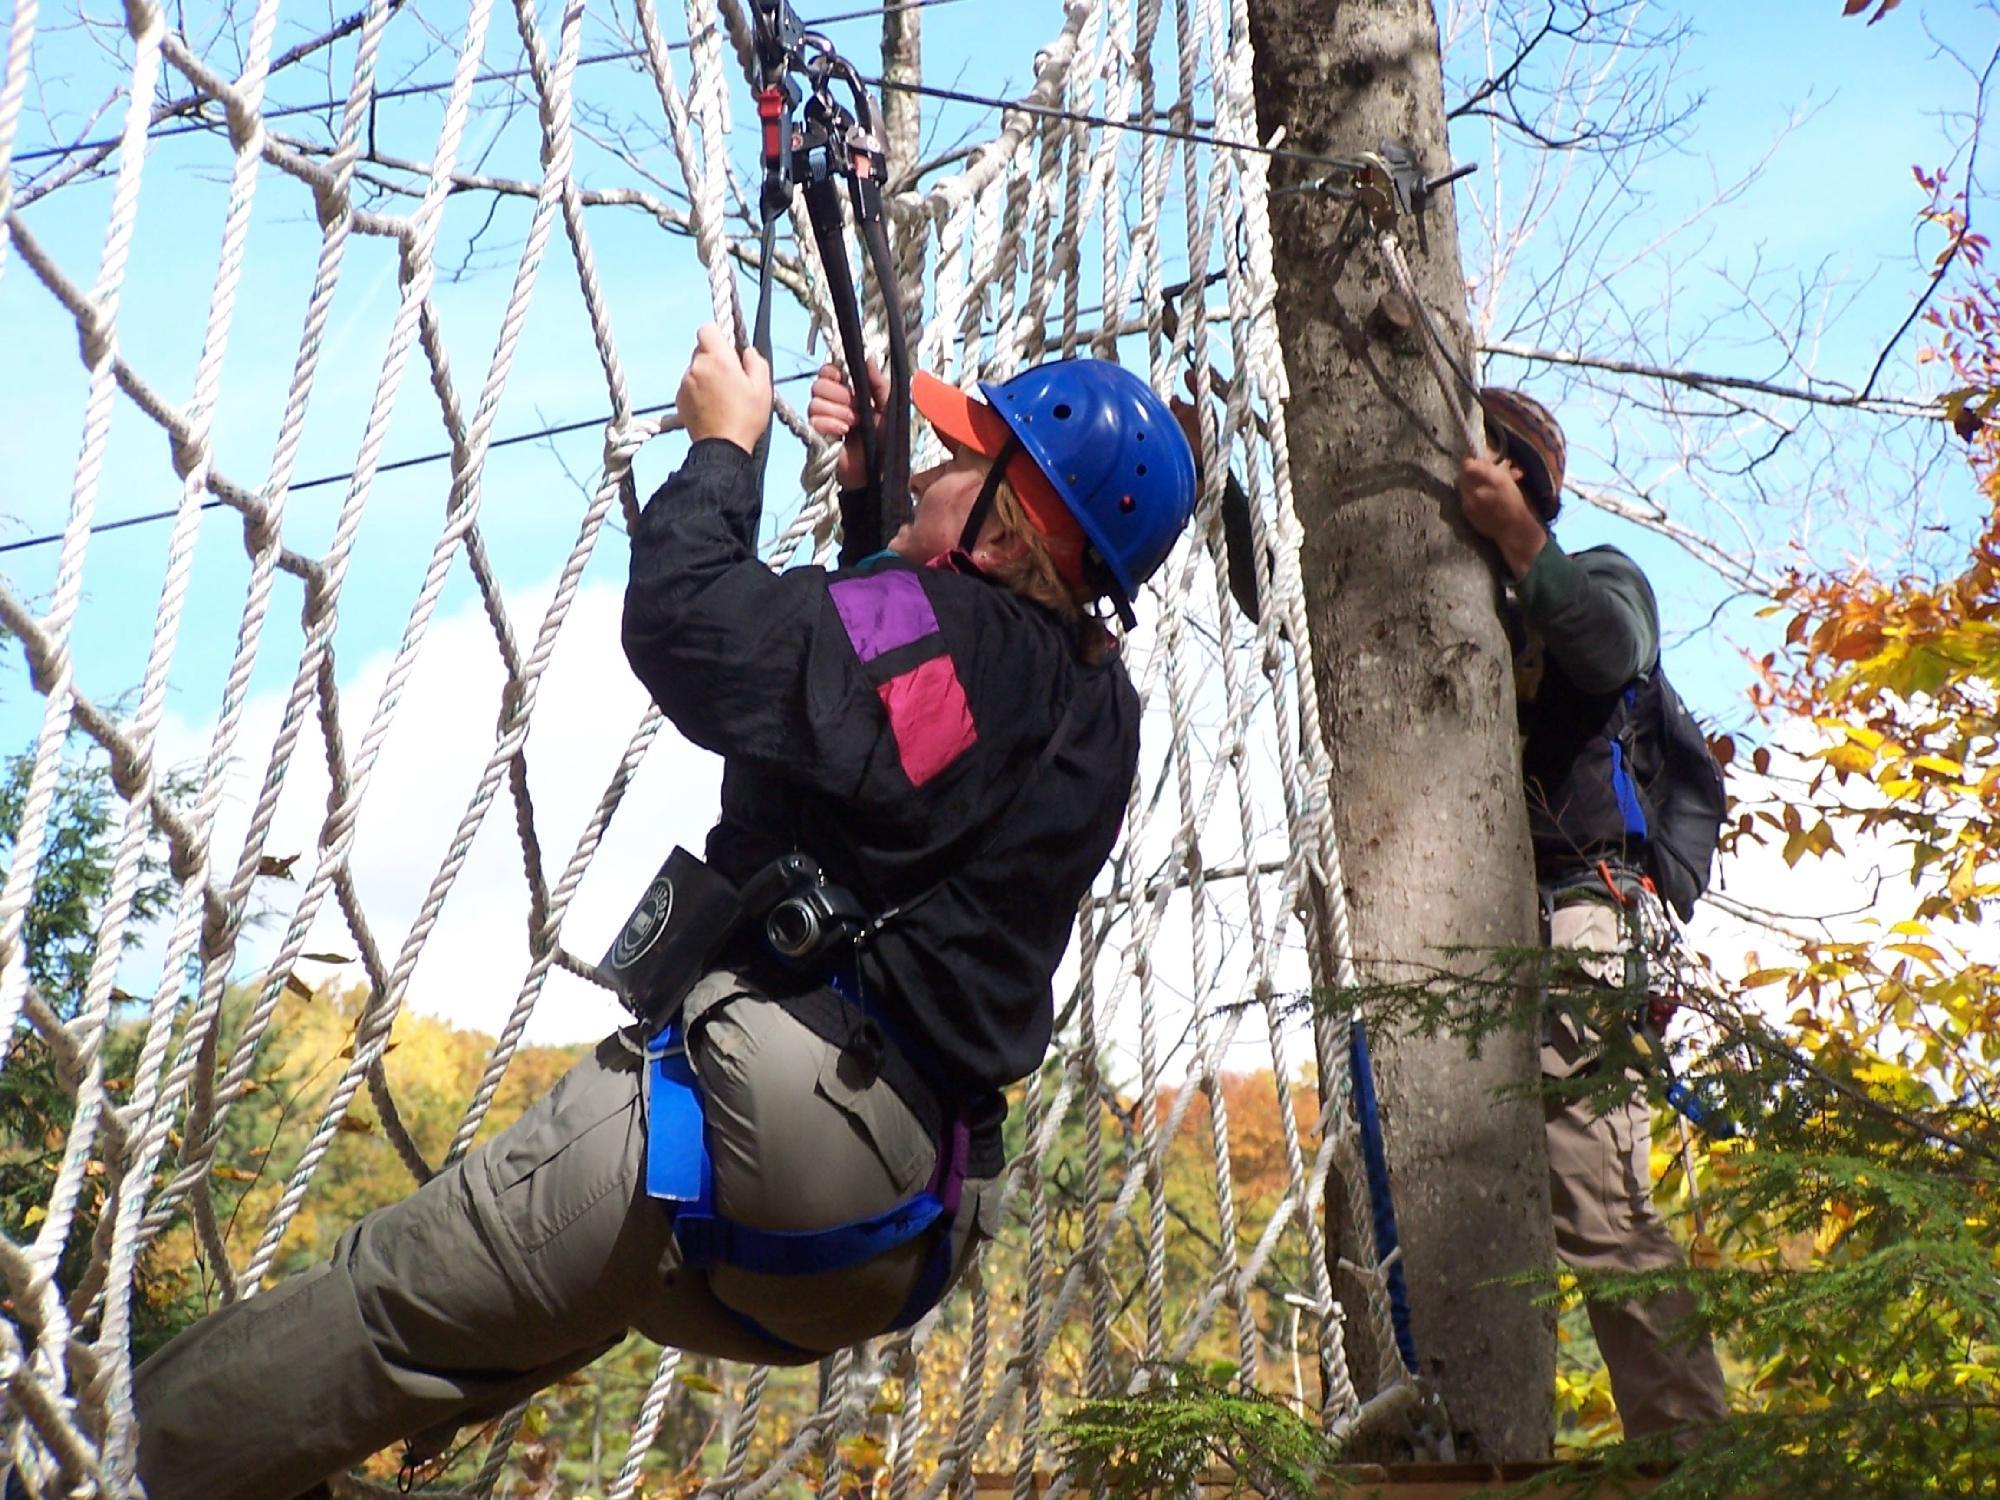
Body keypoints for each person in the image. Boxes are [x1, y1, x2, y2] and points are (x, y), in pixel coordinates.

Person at [128, 326, 1196, 1500]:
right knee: (458, 1350)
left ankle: (81, 1473)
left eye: (958, 457)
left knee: (392, 1310)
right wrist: (875, 510)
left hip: (774, 1125)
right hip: (895, 1223)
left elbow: (700, 630)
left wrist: (724, 451)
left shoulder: (959, 645)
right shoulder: (1094, 710)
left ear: (999, 531)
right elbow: (890, 749)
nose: (934, 463)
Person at [1457, 388, 1728, 1443]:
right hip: (1497, 926)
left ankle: (1687, 1448)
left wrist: (1520, 542)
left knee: (1593, 1186)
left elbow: (1612, 653)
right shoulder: (1458, 605)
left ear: (1512, 474)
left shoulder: (1599, 576)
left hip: (1588, 912)